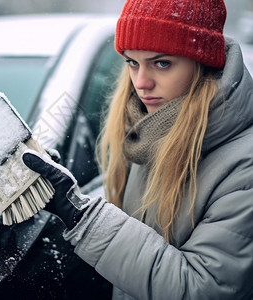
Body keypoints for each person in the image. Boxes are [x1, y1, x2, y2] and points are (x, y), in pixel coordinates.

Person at [22, 0, 253, 299]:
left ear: (204, 63)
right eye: (132, 62)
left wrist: (84, 219)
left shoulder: (244, 166)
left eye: (162, 63)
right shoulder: (150, 130)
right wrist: (68, 197)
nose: (141, 82)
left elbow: (205, 288)